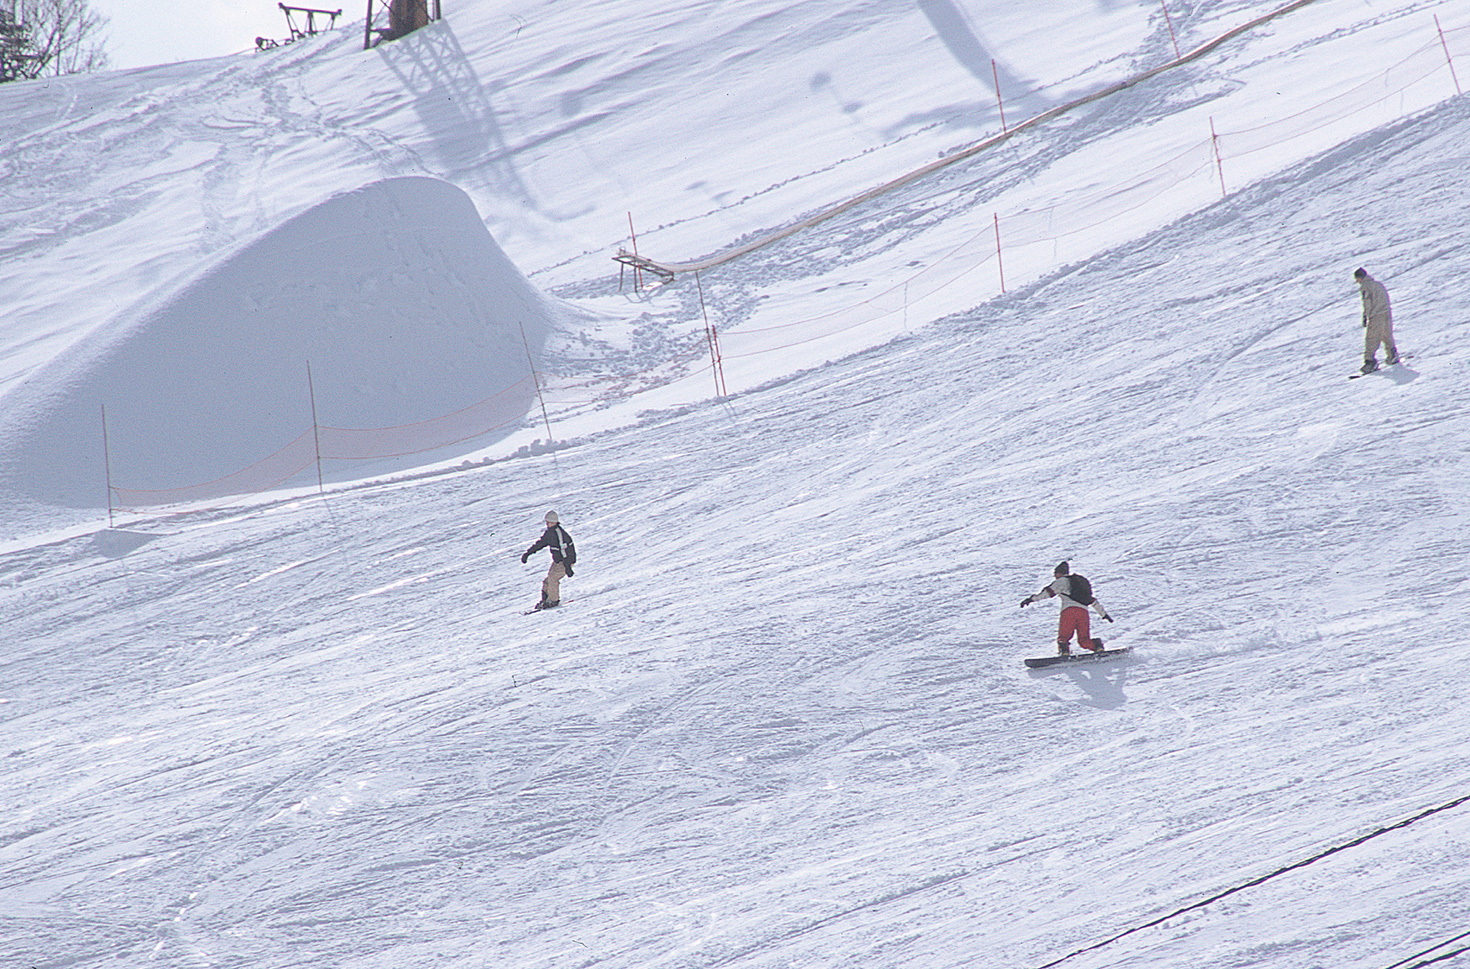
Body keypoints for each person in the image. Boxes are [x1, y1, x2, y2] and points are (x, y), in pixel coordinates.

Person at [1020, 561, 1113, 654]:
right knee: (1084, 640)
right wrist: (1103, 614)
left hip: (1069, 611)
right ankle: (1097, 647)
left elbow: (1047, 593)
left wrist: (1031, 599)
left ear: (1059, 573)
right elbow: (1092, 601)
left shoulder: (1062, 581)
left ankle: (1064, 652)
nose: (1055, 576)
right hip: (1083, 612)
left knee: (1063, 637)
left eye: (1055, 573)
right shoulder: (1078, 584)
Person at [521, 511, 575, 610]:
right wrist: (528, 553)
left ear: (555, 522)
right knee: (547, 581)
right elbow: (540, 543)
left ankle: (553, 600)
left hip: (566, 560)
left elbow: (565, 551)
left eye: (550, 522)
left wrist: (568, 567)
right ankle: (545, 600)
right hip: (558, 561)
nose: (548, 524)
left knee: (553, 579)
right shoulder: (550, 533)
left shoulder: (559, 534)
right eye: (547, 522)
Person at [1355, 267, 1399, 373]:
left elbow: (1367, 303)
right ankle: (1392, 354)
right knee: (1386, 334)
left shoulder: (1365, 286)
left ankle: (1370, 362)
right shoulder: (1378, 284)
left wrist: (1366, 316)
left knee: (1371, 338)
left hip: (1376, 314)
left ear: (1360, 278)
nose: (1357, 281)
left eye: (1357, 279)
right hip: (1386, 312)